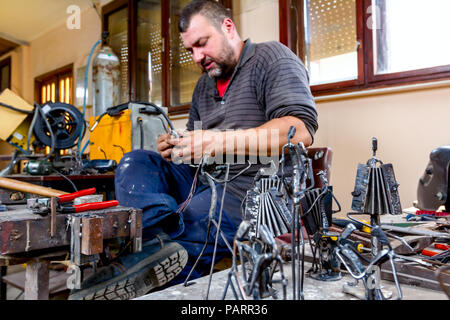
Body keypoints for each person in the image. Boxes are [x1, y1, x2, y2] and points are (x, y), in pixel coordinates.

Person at [69, 0, 318, 300]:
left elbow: (300, 131)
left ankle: (150, 254)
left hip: (255, 192)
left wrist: (216, 141)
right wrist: (177, 147)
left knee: (192, 219)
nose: (198, 57)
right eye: (191, 50)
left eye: (202, 43)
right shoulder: (204, 86)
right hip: (205, 184)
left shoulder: (272, 58)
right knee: (134, 163)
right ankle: (161, 241)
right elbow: (197, 146)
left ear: (228, 27)